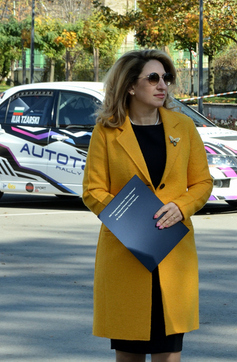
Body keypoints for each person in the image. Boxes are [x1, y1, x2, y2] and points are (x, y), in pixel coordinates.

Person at [83, 49, 213, 362]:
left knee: (169, 354)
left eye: (165, 78)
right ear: (130, 86)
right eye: (152, 78)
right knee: (129, 356)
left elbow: (202, 183)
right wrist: (131, 219)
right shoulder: (107, 130)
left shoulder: (183, 127)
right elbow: (92, 190)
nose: (162, 85)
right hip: (128, 254)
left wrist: (181, 207)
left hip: (172, 254)